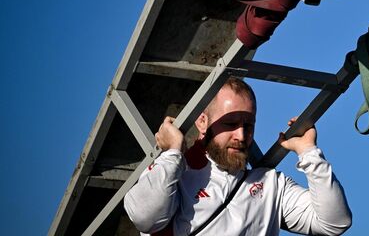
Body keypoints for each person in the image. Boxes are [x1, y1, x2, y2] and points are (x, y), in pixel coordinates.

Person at [124, 77, 352, 235]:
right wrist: (172, 152)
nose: (241, 135)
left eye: (248, 125)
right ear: (202, 122)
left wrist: (309, 153)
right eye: (231, 124)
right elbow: (145, 218)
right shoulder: (175, 174)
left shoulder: (271, 184)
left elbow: (335, 222)